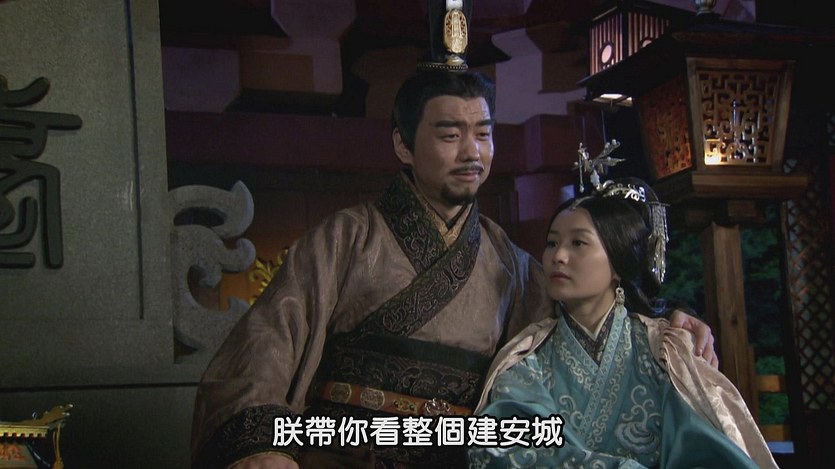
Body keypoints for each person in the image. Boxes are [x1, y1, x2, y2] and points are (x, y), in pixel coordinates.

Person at [189, 68, 717, 469]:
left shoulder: (510, 264)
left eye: (483, 134)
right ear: (402, 143)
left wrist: (666, 323)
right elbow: (264, 347)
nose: (472, 153)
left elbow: (588, 322)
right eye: (449, 135)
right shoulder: (344, 239)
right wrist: (259, 447)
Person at [467, 175, 776, 468]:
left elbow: (706, 451)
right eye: (552, 243)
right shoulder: (527, 358)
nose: (558, 255)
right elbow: (498, 449)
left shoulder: (663, 353)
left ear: (618, 262)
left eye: (578, 243)